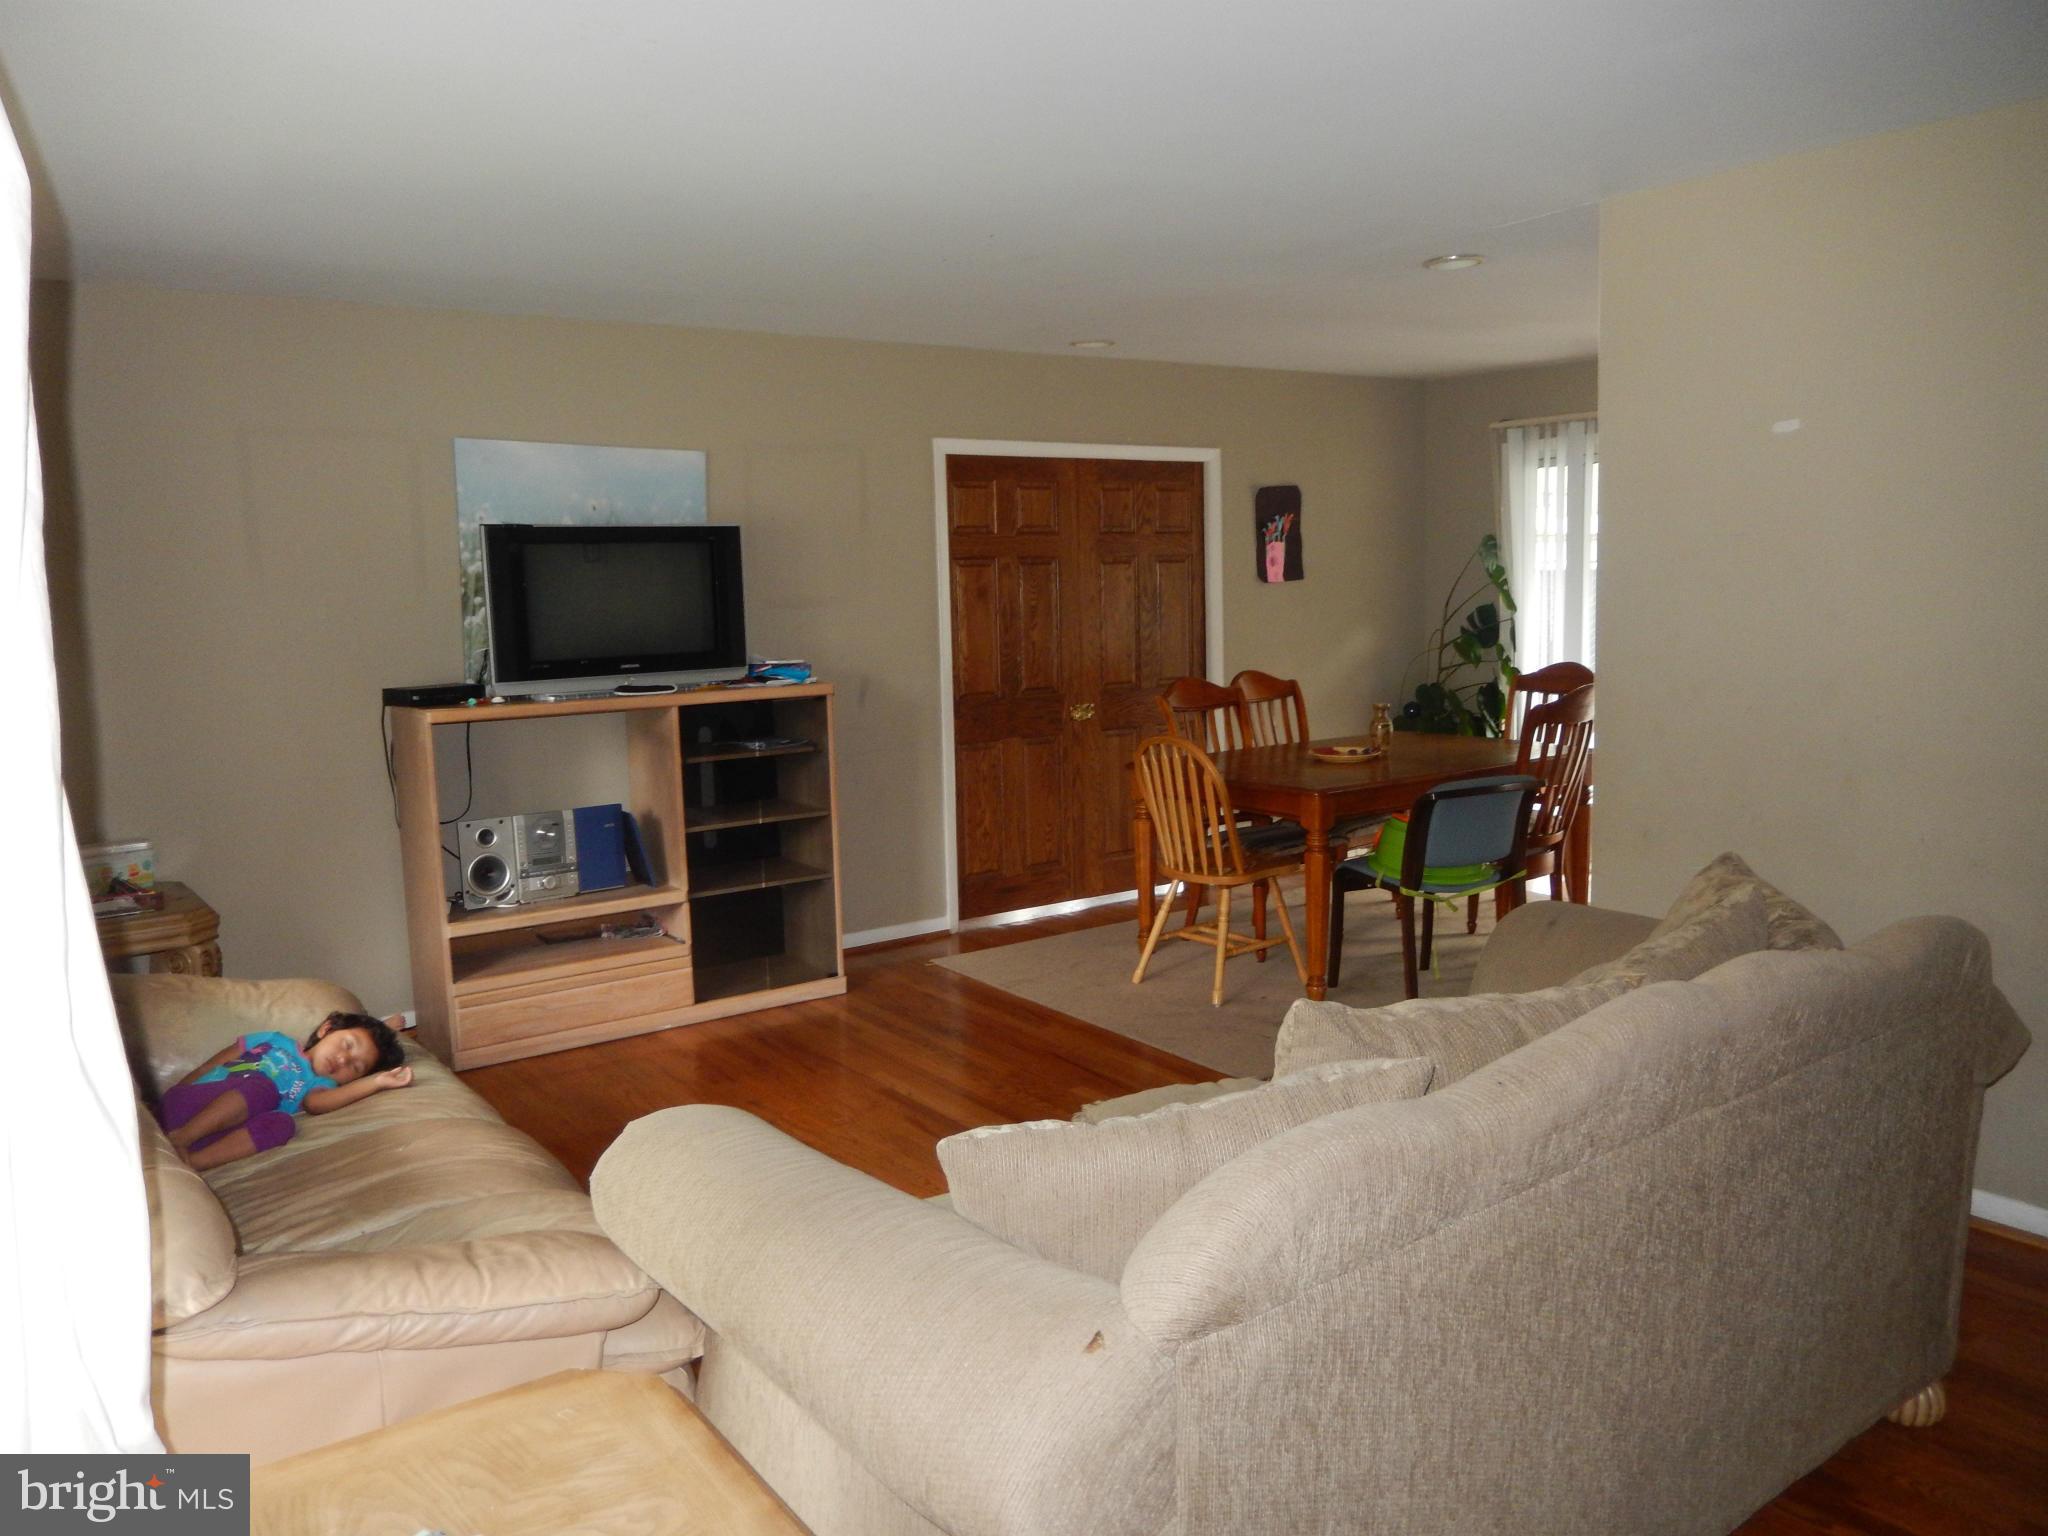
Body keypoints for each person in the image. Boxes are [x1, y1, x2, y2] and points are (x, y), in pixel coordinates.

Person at [157, 1011, 413, 1170]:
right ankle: (180, 1140)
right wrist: (170, 1097)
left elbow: (316, 1105)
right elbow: (211, 1065)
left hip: (217, 1134)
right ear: (327, 1028)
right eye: (346, 1045)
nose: (344, 1060)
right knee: (262, 1088)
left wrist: (377, 1081)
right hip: (187, 1107)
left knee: (282, 1124)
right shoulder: (275, 1040)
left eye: (356, 1067)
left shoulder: (320, 1086)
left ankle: (193, 1163)